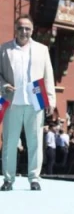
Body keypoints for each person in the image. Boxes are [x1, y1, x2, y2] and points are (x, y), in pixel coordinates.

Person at [0, 14, 55, 191]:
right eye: (21, 28)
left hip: (36, 99)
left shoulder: (42, 49)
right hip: (11, 101)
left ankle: (34, 178)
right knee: (10, 142)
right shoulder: (4, 49)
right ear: (15, 29)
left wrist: (51, 100)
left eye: (27, 28)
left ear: (32, 30)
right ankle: (8, 179)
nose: (24, 31)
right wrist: (3, 85)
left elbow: (48, 75)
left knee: (35, 141)